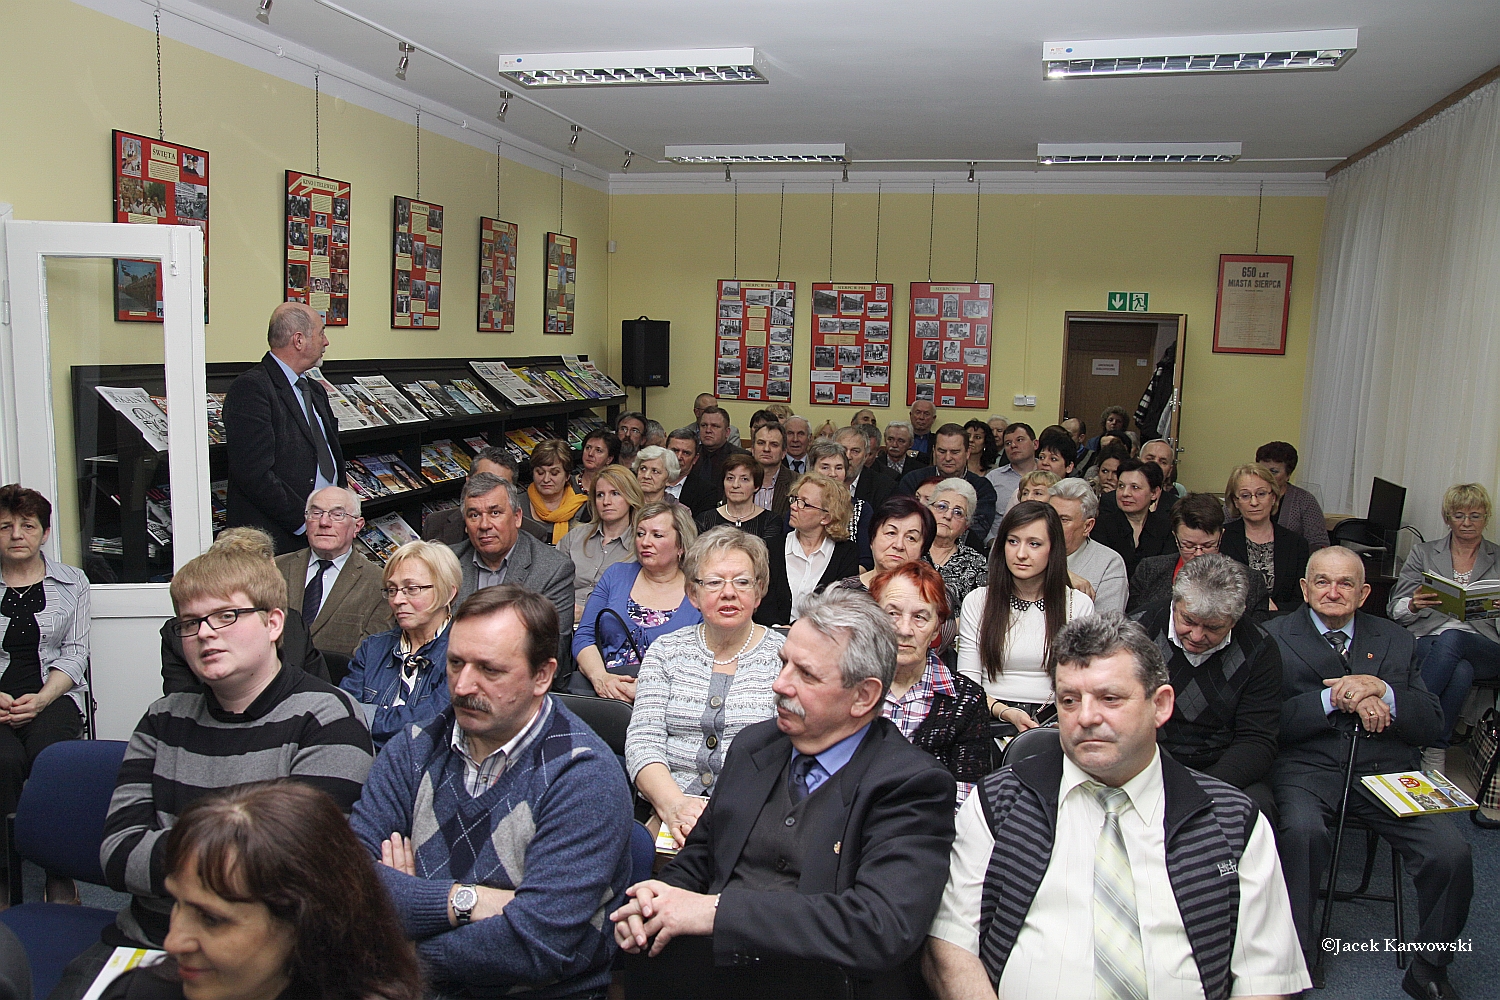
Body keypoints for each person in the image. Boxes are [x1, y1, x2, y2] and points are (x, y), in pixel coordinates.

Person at [926, 612, 1309, 1000]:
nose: (1086, 718)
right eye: (1069, 700)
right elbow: (950, 944)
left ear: (1160, 705)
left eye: (1110, 698)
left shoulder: (1232, 822)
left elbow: (1264, 978)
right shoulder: (1000, 803)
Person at [58, 535, 373, 997]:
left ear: (273, 624)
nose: (205, 633)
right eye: (189, 622)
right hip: (146, 940)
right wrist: (235, 853)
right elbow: (118, 855)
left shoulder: (328, 717)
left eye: (226, 615)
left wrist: (172, 851)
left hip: (260, 960)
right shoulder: (163, 717)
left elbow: (294, 870)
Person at [613, 587, 957, 999]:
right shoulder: (754, 746)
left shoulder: (910, 785)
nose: (780, 684)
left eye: (806, 674)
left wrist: (715, 912)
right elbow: (701, 857)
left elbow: (879, 927)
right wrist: (658, 900)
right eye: (783, 664)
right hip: (708, 973)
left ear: (864, 696)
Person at [351, 585, 633, 999]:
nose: (464, 685)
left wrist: (402, 943)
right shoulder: (412, 749)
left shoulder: (583, 776)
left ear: (543, 675)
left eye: (489, 670)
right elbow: (346, 883)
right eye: (455, 663)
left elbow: (536, 945)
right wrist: (466, 900)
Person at [1266, 546, 1470, 999]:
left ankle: (1429, 966)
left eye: (1344, 584)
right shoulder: (1272, 637)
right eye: (1321, 581)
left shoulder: (1396, 638)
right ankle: (1292, 958)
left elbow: (1431, 723)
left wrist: (1384, 691)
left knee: (1450, 851)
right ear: (1304, 588)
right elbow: (1266, 723)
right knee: (1301, 833)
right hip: (1308, 764)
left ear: (1364, 593)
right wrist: (1333, 699)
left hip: (1386, 767)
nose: (1332, 592)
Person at [100, 781, 422, 1000]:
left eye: (212, 919)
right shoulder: (141, 992)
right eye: (178, 903)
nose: (173, 941)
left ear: (306, 926)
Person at [626, 528, 785, 846]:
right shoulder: (666, 651)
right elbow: (643, 742)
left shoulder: (784, 657)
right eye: (714, 582)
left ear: (760, 590)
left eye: (742, 581)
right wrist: (675, 807)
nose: (728, 593)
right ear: (693, 594)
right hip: (668, 810)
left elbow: (785, 758)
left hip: (754, 819)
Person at [1134, 554, 1283, 819]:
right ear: (1175, 603)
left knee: (1257, 809)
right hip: (1147, 759)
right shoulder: (1138, 631)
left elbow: (1257, 740)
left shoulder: (1260, 648)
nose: (1197, 636)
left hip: (1223, 765)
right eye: (1188, 621)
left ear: (1234, 620)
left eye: (1213, 627)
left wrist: (1202, 787)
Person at [0, 484, 89, 904]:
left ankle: (59, 869)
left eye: (27, 525)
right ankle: (6, 875)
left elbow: (75, 653)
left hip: (52, 696)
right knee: (4, 761)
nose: (17, 534)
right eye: (5, 526)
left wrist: (41, 698)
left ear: (45, 532)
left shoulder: (72, 583)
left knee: (50, 757)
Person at [1388, 482, 1500, 772]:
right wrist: (1414, 604)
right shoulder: (1424, 553)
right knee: (1460, 670)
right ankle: (1436, 751)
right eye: (1459, 515)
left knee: (1455, 637)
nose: (1466, 523)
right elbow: (1395, 609)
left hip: (1485, 644)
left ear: (1486, 517)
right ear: (1447, 517)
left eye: (1475, 515)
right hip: (1430, 638)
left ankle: (1405, 721)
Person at [957, 501, 1095, 730]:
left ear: (1053, 549)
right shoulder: (979, 601)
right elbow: (968, 684)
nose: (1021, 554)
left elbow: (1082, 684)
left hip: (1056, 720)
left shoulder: (1078, 605)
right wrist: (1005, 712)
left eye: (1034, 544)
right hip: (990, 716)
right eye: (1013, 541)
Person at [869, 562, 996, 804]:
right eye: (892, 614)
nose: (904, 630)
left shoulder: (966, 700)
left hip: (928, 831)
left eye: (920, 617)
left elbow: (967, 799)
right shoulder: (844, 685)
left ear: (937, 627)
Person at [223, 302, 345, 553]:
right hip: (279, 537)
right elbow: (253, 472)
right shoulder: (252, 389)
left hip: (324, 530)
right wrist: (304, 523)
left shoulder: (314, 389)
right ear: (299, 340)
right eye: (321, 333)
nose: (326, 342)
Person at [340, 540, 461, 750]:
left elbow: (431, 724)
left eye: (411, 589)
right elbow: (341, 714)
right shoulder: (373, 649)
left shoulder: (464, 653)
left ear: (448, 593)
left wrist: (368, 720)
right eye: (392, 589)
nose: (397, 600)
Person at [573, 502, 701, 702]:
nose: (645, 542)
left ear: (681, 546)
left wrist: (647, 691)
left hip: (669, 700)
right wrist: (601, 678)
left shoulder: (700, 591)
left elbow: (707, 662)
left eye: (657, 535)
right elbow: (584, 636)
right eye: (641, 534)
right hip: (603, 695)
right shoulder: (616, 575)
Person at [448, 474, 574, 662]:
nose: (484, 525)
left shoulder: (553, 569)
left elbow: (553, 652)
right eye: (474, 515)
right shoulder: (447, 563)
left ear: (517, 517)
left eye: (495, 513)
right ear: (465, 525)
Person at [275, 486, 389, 659]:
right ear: (306, 521)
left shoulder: (379, 583)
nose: (324, 522)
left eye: (337, 515)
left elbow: (368, 657)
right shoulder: (275, 569)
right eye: (316, 513)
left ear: (357, 526)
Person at [1127, 492, 1272, 619]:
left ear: (1221, 536)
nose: (1198, 554)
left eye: (1208, 546)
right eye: (1188, 546)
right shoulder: (1149, 571)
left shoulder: (1252, 582)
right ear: (1175, 538)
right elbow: (1133, 624)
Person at [759, 473, 859, 625]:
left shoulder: (846, 553)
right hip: (773, 636)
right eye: (795, 499)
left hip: (824, 640)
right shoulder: (771, 547)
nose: (793, 506)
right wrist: (780, 629)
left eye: (804, 503)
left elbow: (841, 607)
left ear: (825, 517)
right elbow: (762, 602)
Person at [1221, 462, 1309, 615]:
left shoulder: (1296, 543)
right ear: (1236, 502)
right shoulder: (1222, 538)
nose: (1254, 502)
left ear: (1273, 497)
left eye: (1261, 494)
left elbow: (1302, 599)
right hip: (1234, 622)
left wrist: (1276, 613)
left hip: (1282, 624)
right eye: (1245, 496)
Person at [559, 464, 642, 621]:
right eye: (600, 495)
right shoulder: (575, 536)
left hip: (612, 625)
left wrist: (589, 613)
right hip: (563, 620)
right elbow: (551, 581)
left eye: (615, 494)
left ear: (630, 497)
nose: (606, 502)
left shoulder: (642, 544)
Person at [896, 423, 998, 546]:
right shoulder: (913, 480)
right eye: (942, 451)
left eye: (955, 452)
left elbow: (978, 531)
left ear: (967, 453)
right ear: (934, 451)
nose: (948, 458)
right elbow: (900, 519)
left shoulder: (982, 488)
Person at [421, 447, 548, 546]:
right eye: (482, 480)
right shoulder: (436, 523)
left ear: (513, 491)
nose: (488, 490)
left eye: (499, 484)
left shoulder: (533, 533)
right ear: (468, 481)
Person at [922, 479, 988, 653]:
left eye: (958, 512)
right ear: (928, 510)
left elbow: (984, 613)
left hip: (959, 649)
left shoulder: (977, 563)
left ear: (966, 525)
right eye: (941, 506)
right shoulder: (910, 550)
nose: (948, 515)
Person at [1049, 478, 1129, 615]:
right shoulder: (1028, 550)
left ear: (1087, 526)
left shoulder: (1109, 563)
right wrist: (1062, 575)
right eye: (1049, 516)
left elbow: (1105, 628)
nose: (1052, 525)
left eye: (1063, 520)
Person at [1091, 457, 1174, 577]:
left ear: (1154, 493)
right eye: (1121, 486)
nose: (1125, 493)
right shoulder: (1101, 526)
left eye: (1135, 487)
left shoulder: (1166, 528)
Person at [842, 495, 935, 591]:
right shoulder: (844, 591)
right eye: (891, 533)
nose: (899, 545)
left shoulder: (931, 595)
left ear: (923, 548)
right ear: (872, 538)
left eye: (911, 538)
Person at [1254, 441, 1330, 551]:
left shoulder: (1304, 501)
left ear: (1288, 475)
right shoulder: (1243, 496)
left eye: (1273, 471)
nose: (1265, 476)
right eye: (1261, 471)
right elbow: (1222, 528)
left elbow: (1319, 544)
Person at [696, 450, 784, 546]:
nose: (735, 485)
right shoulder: (705, 519)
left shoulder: (770, 521)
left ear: (756, 486)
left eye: (744, 479)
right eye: (730, 478)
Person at [526, 439, 588, 543]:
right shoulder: (517, 505)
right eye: (540, 472)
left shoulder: (584, 509)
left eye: (554, 473)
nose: (546, 479)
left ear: (567, 476)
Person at [987, 421, 1038, 526]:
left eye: (1019, 440)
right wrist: (991, 541)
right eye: (1008, 443)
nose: (1013, 445)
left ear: (1035, 444)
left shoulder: (1048, 474)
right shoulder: (993, 478)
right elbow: (983, 517)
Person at [838, 426, 896, 513]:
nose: (848, 456)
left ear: (865, 456)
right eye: (842, 450)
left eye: (855, 451)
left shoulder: (884, 488)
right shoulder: (819, 482)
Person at [687, 407, 737, 507]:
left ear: (727, 432)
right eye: (704, 425)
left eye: (715, 426)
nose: (708, 430)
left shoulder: (739, 457)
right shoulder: (690, 455)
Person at [666, 427, 714, 513]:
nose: (678, 457)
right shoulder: (650, 479)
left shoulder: (706, 492)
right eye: (675, 450)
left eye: (686, 453)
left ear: (695, 459)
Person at [750, 422, 793, 517]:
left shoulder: (796, 482)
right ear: (753, 449)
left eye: (774, 445)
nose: (766, 449)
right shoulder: (738, 480)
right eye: (761, 443)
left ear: (783, 453)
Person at [576, 428, 621, 499]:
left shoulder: (617, 486)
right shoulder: (568, 482)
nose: (590, 453)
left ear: (609, 459)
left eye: (598, 450)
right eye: (588, 448)